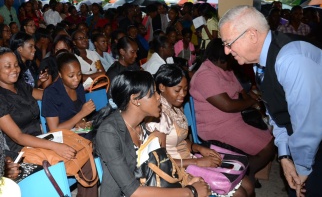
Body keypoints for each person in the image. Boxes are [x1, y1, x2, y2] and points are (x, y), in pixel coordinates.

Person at [218, 5, 322, 197]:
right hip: (305, 144)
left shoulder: (290, 59)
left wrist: (302, 168)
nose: (226, 51)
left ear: (252, 35)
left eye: (229, 43)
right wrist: (284, 155)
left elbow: (309, 125)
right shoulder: (263, 61)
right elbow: (276, 112)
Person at [96, 70, 211, 197]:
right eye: (153, 93)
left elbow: (161, 167)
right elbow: (133, 191)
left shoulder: (143, 125)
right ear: (135, 100)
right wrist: (190, 192)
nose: (158, 97)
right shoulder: (108, 133)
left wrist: (185, 181)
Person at [147, 64, 254, 197]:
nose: (182, 95)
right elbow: (160, 162)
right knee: (240, 193)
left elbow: (179, 140)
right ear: (162, 87)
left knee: (248, 184)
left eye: (185, 90)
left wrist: (198, 148)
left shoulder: (173, 105)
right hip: (176, 171)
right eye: (178, 90)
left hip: (188, 160)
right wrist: (197, 162)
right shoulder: (158, 116)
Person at [190, 38, 275, 185]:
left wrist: (253, 97)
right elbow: (227, 106)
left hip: (233, 120)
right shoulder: (205, 74)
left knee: (269, 136)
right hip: (215, 126)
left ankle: (243, 170)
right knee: (267, 147)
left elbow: (240, 89)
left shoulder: (224, 69)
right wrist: (252, 101)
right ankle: (246, 175)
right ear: (222, 58)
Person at [0, 47, 76, 160]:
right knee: (68, 157)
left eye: (16, 65)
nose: (14, 69)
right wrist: (55, 146)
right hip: (20, 152)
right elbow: (18, 137)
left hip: (42, 140)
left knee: (78, 145)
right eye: (8, 66)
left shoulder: (21, 86)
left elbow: (47, 95)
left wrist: (67, 86)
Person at [42, 52, 95, 131]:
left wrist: (82, 121)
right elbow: (54, 129)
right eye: (71, 76)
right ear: (60, 74)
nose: (76, 79)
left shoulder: (78, 87)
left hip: (77, 132)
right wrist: (81, 114)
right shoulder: (51, 93)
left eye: (79, 74)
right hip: (61, 138)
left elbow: (81, 116)